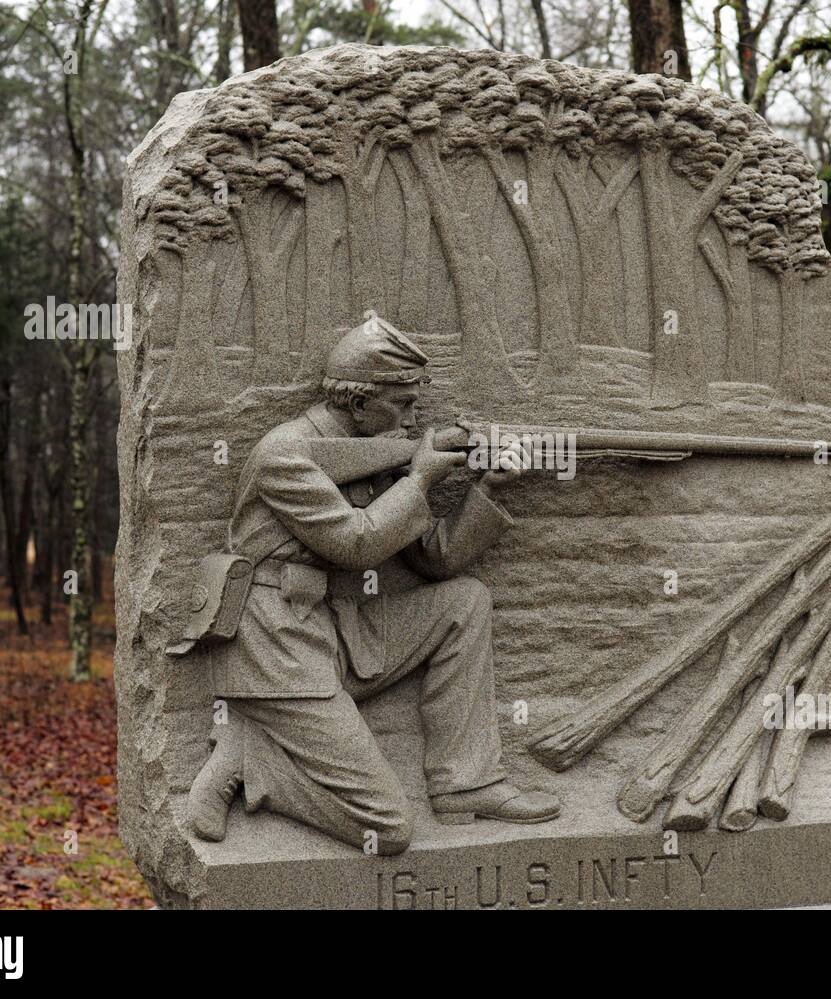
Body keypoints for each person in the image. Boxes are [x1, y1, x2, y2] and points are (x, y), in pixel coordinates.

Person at [185, 315, 560, 854]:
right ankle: (255, 761)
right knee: (385, 831)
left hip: (337, 632)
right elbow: (355, 543)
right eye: (402, 404)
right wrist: (421, 477)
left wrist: (486, 489)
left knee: (464, 602)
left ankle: (466, 782)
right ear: (358, 403)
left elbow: (435, 560)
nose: (414, 419)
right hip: (277, 648)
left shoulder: (378, 449)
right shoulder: (285, 454)